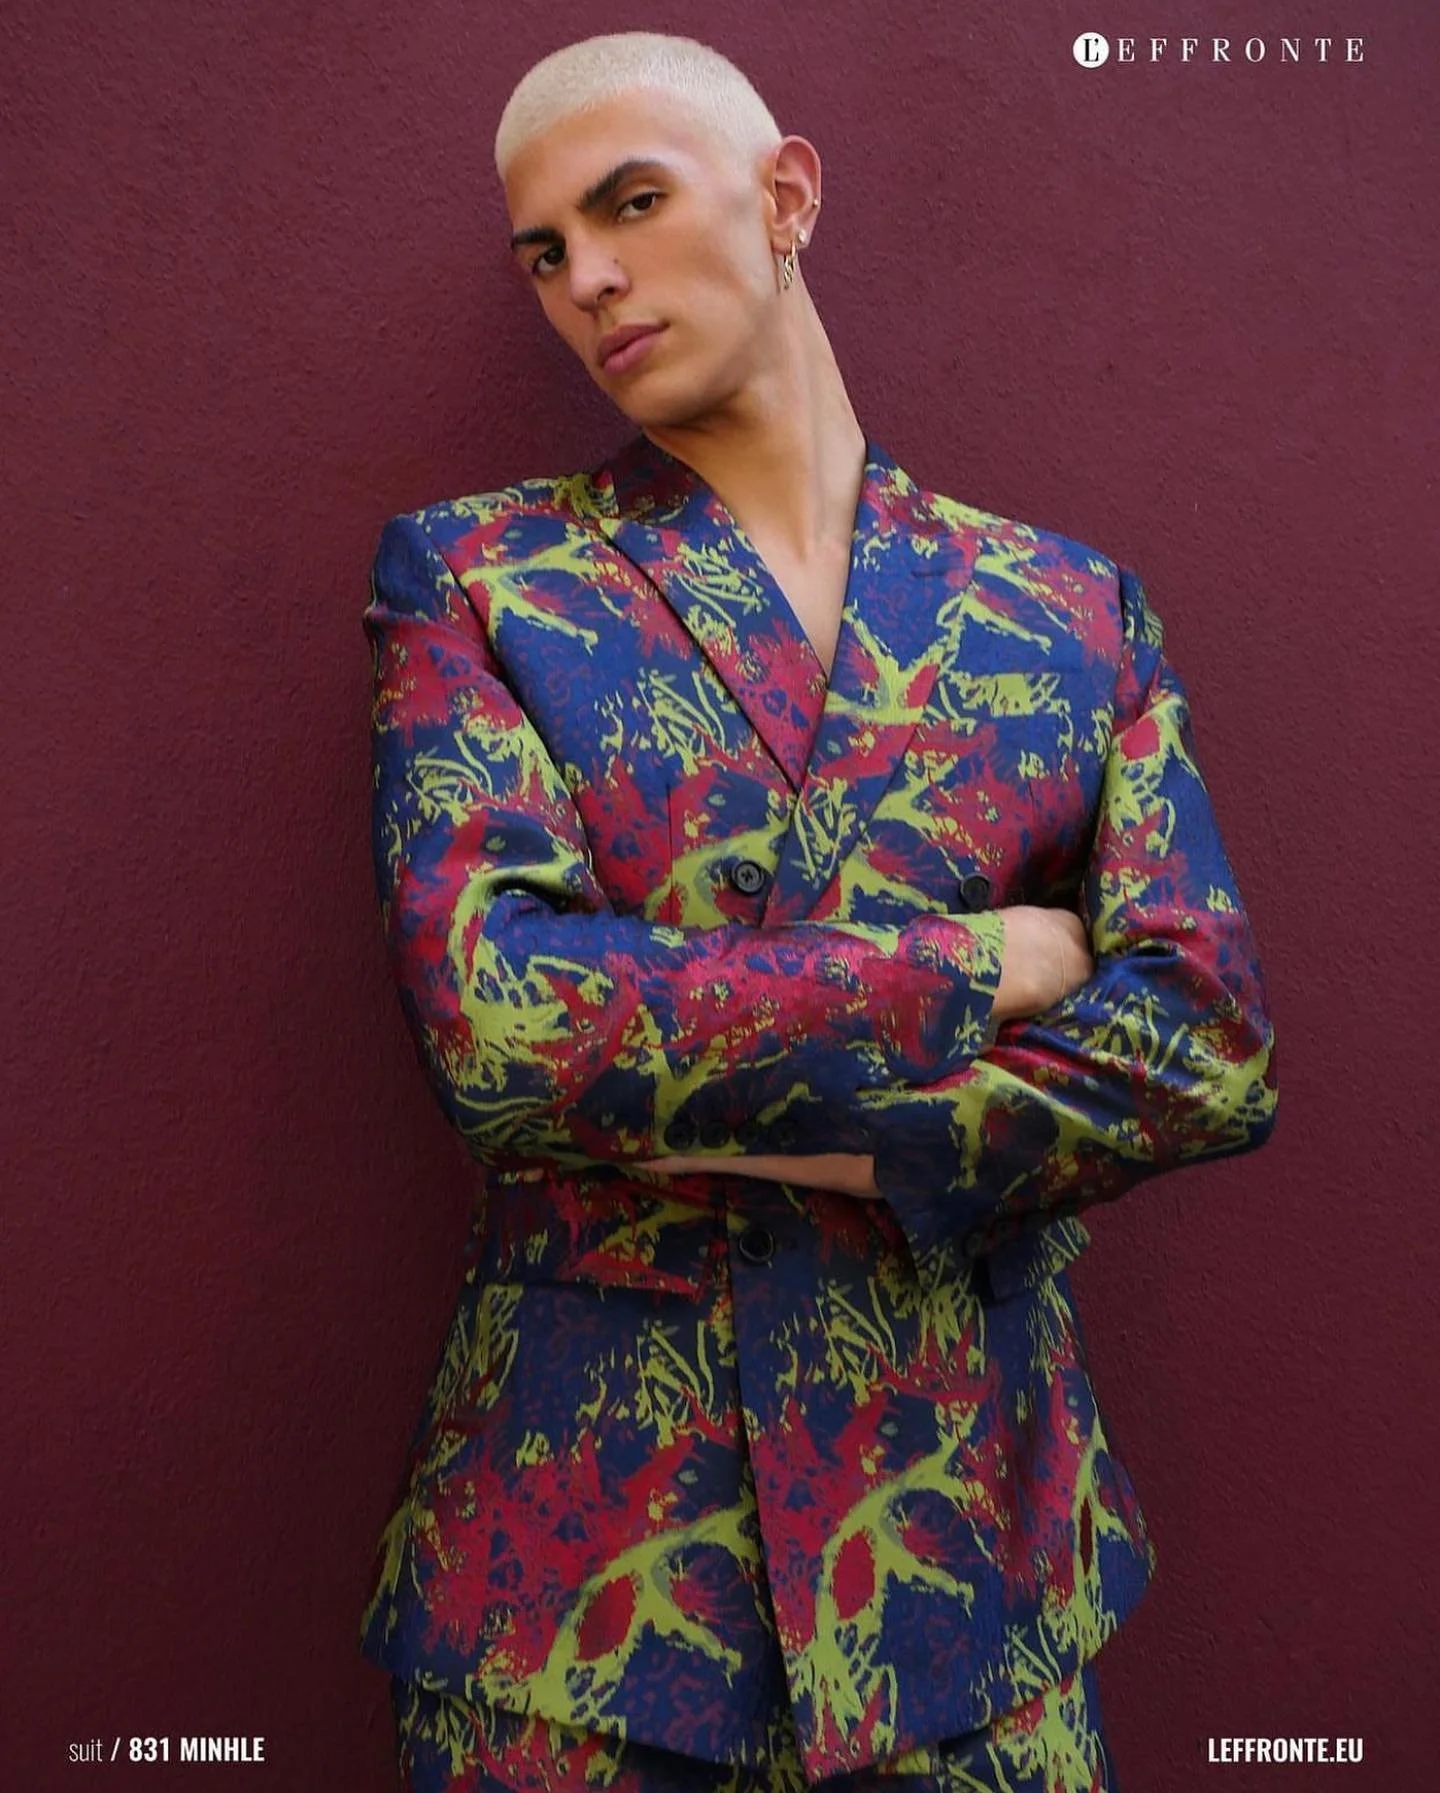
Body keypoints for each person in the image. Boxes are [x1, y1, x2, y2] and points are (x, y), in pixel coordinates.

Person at [359, 30, 1278, 1793]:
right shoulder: (483, 578)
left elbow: (1207, 1052)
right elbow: (504, 1030)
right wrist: (984, 963)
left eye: (631, 203)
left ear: (785, 194)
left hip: (971, 1582)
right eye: (545, 251)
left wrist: (804, 1136)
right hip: (584, 1604)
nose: (588, 278)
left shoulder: (1064, 610)